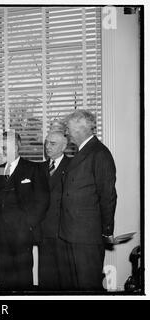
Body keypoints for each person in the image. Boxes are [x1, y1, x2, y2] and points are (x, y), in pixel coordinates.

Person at [60, 109, 117, 291]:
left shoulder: (99, 153)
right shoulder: (83, 151)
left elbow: (107, 195)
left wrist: (107, 231)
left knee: (88, 286)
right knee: (77, 286)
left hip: (87, 235)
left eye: (68, 128)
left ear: (80, 128)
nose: (66, 133)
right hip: (73, 232)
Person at [0, 131, 49, 290]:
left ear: (16, 146)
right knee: (4, 276)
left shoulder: (33, 168)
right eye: (1, 146)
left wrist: (28, 225)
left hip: (22, 233)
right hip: (0, 235)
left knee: (23, 276)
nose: (2, 150)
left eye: (5, 146)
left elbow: (42, 201)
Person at [38, 131, 71, 290]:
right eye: (46, 143)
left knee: (65, 278)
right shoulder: (39, 168)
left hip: (64, 231)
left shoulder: (73, 165)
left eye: (53, 144)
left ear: (64, 147)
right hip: (44, 232)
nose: (47, 147)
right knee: (46, 278)